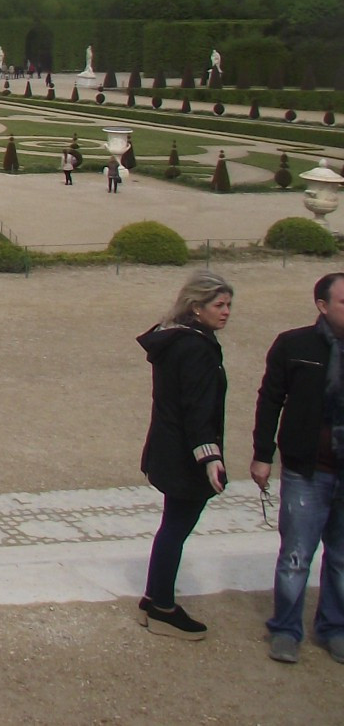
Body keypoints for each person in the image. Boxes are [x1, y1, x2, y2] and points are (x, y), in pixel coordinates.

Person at [250, 271, 344, 664]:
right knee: (295, 556)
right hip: (307, 471)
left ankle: (334, 628)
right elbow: (270, 399)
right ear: (322, 306)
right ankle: (286, 629)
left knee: (341, 558)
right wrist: (262, 454)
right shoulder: (294, 345)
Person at [137, 271, 234, 638]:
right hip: (185, 455)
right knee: (176, 529)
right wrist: (210, 458)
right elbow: (197, 408)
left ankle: (154, 596)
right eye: (218, 305)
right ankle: (162, 606)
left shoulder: (174, 339)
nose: (225, 312)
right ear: (197, 307)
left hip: (168, 447)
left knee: (171, 527)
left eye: (227, 305)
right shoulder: (196, 348)